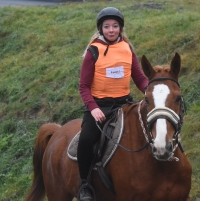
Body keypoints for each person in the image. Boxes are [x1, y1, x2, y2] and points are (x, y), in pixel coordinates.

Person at [77, 7, 148, 201]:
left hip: (124, 103)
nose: (111, 30)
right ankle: (84, 185)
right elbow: (83, 86)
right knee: (85, 140)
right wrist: (93, 108)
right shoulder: (93, 51)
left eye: (115, 26)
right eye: (107, 26)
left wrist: (150, 90)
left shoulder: (127, 48)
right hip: (100, 106)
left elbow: (140, 78)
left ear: (120, 28)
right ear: (101, 28)